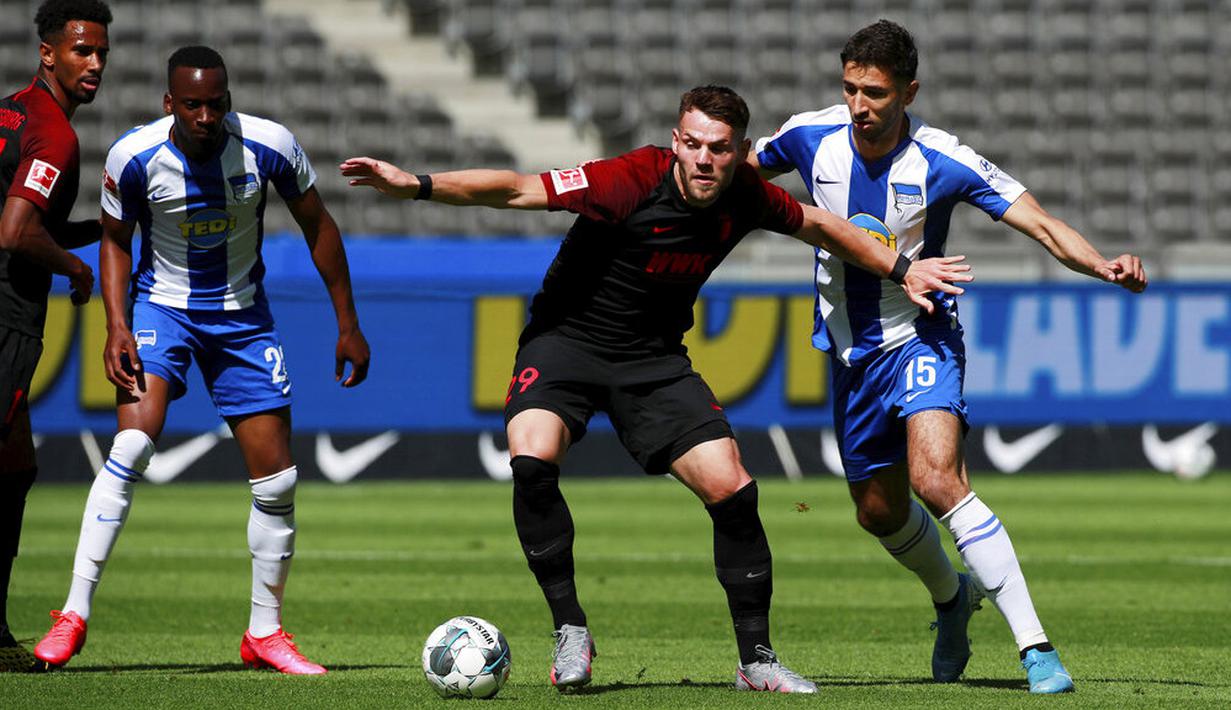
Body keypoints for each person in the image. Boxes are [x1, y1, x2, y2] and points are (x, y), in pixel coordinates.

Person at [342, 85, 971, 693]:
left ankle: (756, 662)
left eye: (721, 148)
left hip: (652, 360)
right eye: (694, 144)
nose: (705, 159)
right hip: (566, 340)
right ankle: (570, 630)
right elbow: (515, 189)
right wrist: (416, 184)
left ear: (740, 150)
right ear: (676, 141)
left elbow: (821, 226)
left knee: (734, 489)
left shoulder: (746, 195)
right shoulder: (627, 180)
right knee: (532, 459)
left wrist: (903, 267)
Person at [750, 20, 1148, 694]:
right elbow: (724, 173)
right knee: (877, 511)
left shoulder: (942, 159)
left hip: (921, 336)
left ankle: (1036, 649)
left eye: (874, 92)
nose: (858, 105)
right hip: (850, 354)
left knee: (935, 479)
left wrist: (1103, 267)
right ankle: (951, 598)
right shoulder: (806, 136)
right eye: (849, 88)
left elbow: (1042, 223)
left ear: (908, 91)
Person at [32, 45, 370, 675]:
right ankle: (72, 615)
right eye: (193, 105)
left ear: (228, 99)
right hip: (163, 310)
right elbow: (113, 241)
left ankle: (263, 633)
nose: (207, 116)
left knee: (279, 482)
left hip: (244, 320)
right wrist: (117, 326)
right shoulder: (134, 157)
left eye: (217, 103)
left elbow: (319, 225)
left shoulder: (270, 146)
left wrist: (347, 323)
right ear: (170, 104)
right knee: (131, 449)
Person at [0, 0, 110, 672]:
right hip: (6, 317)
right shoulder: (54, 135)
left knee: (15, 467)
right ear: (48, 53)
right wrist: (76, 267)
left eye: (100, 51)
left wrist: (102, 231)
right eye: (80, 51)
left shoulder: (9, 111)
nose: (94, 63)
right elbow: (15, 231)